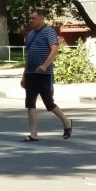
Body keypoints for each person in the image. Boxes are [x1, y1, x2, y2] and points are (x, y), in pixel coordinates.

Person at [20, 9, 72, 142]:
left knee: (48, 102)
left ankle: (66, 122)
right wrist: (24, 75)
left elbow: (55, 50)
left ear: (41, 18)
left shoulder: (49, 31)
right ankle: (33, 134)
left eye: (33, 18)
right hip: (31, 73)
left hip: (44, 73)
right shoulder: (30, 34)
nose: (31, 21)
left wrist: (44, 66)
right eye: (30, 18)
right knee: (30, 103)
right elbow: (28, 56)